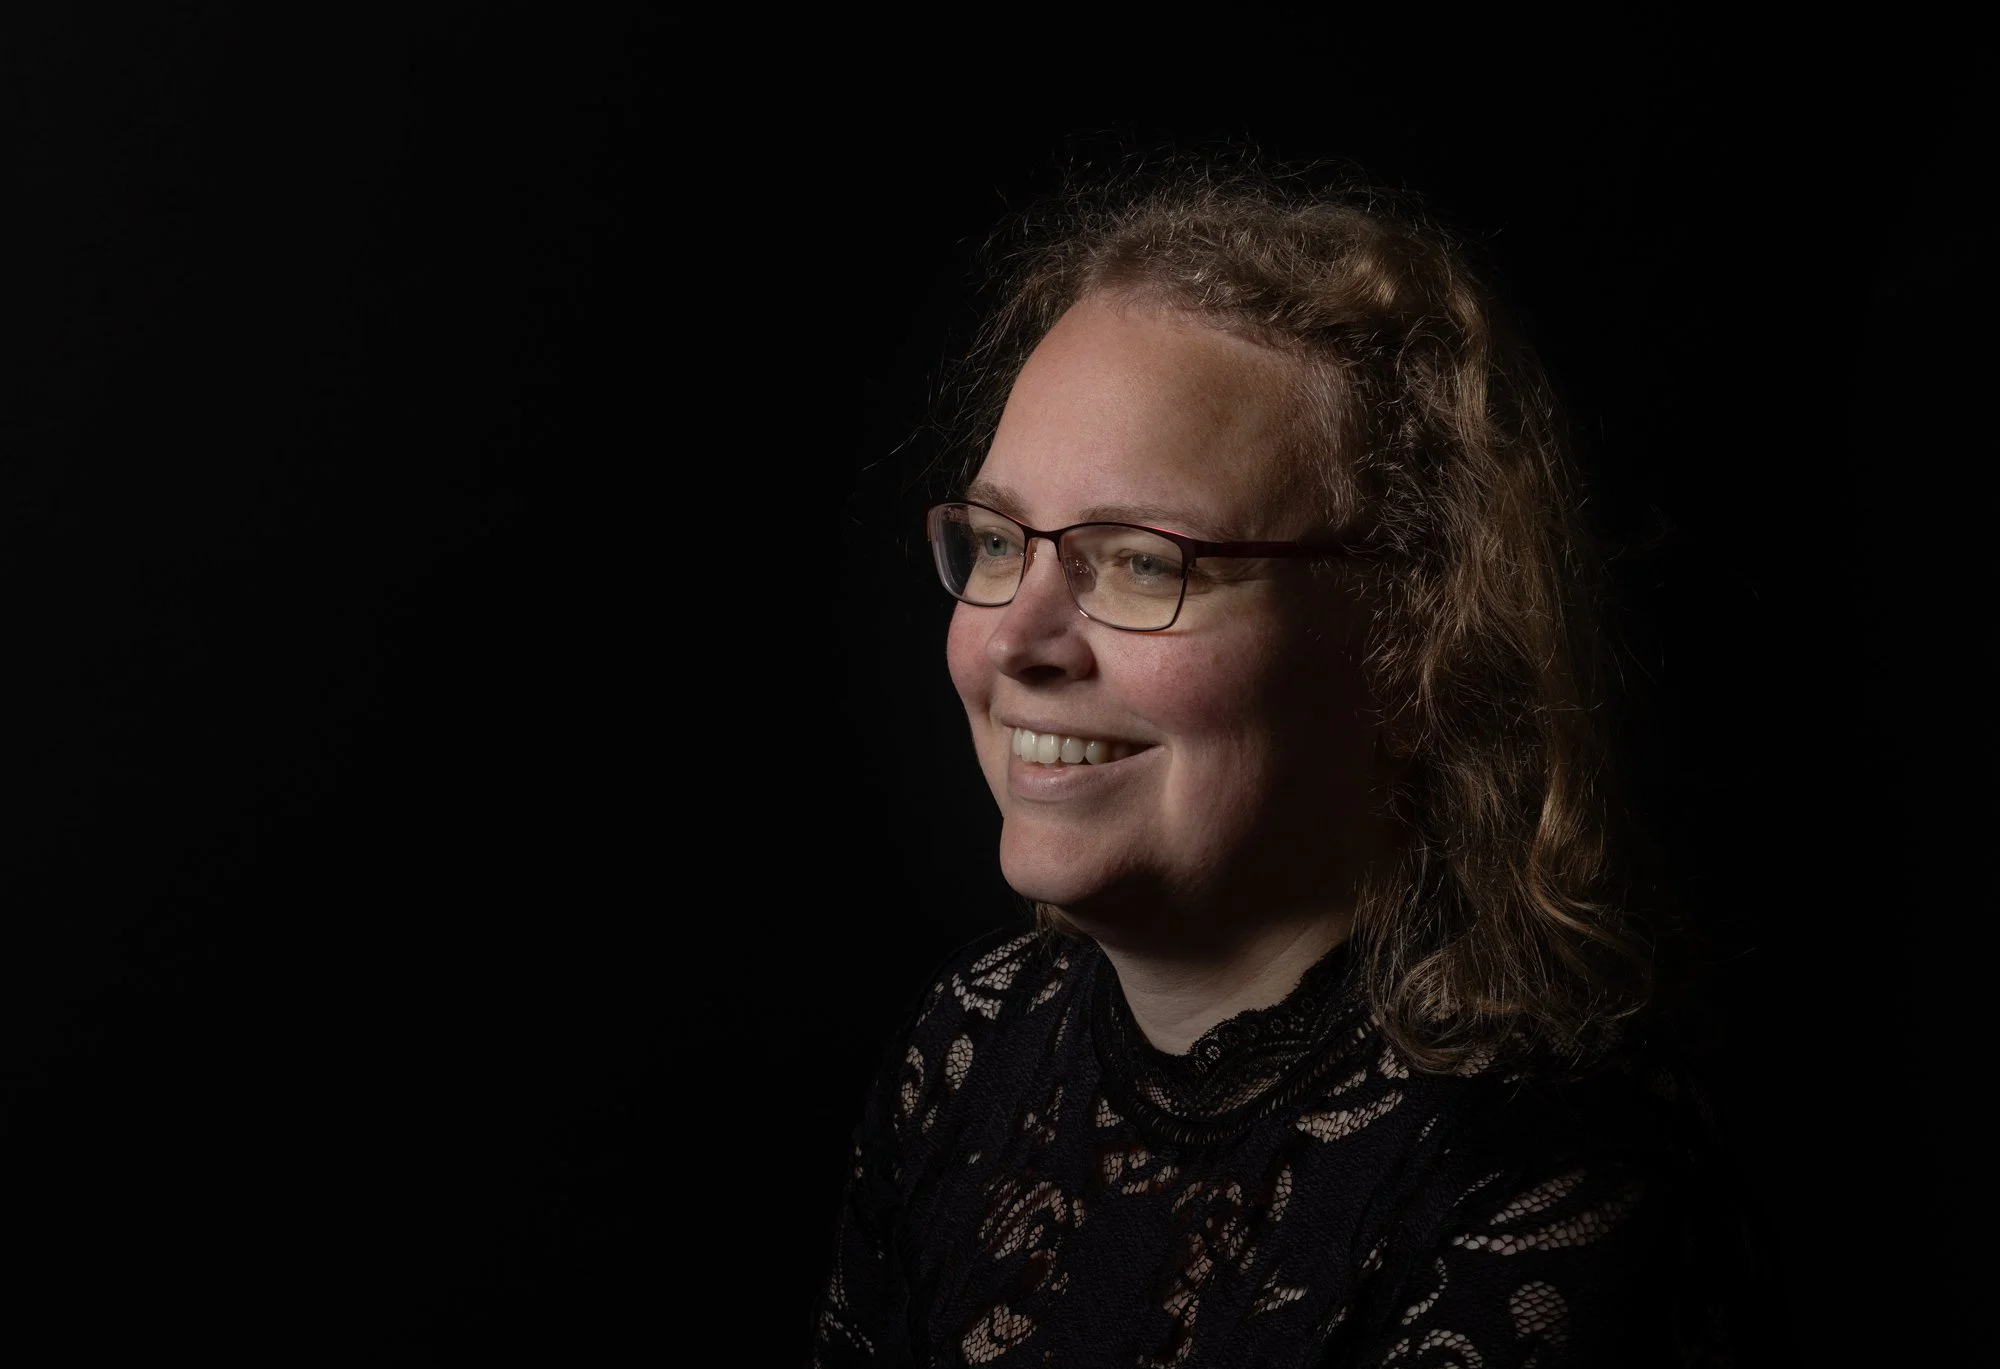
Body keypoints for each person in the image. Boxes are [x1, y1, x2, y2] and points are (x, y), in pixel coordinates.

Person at [812, 155, 1747, 1368]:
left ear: (1412, 647)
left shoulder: (1546, 1185)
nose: (1012, 639)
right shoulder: (972, 1043)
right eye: (999, 541)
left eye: (1140, 559)